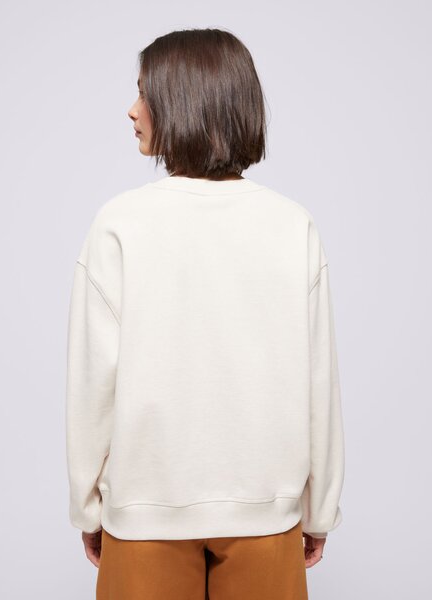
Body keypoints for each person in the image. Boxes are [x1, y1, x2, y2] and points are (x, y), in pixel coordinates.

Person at [65, 27, 345, 600]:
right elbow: (319, 380)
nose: (131, 110)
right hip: (266, 513)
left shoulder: (119, 224)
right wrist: (320, 508)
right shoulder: (292, 225)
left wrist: (87, 507)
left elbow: (92, 384)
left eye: (144, 93)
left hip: (144, 516)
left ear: (182, 101)